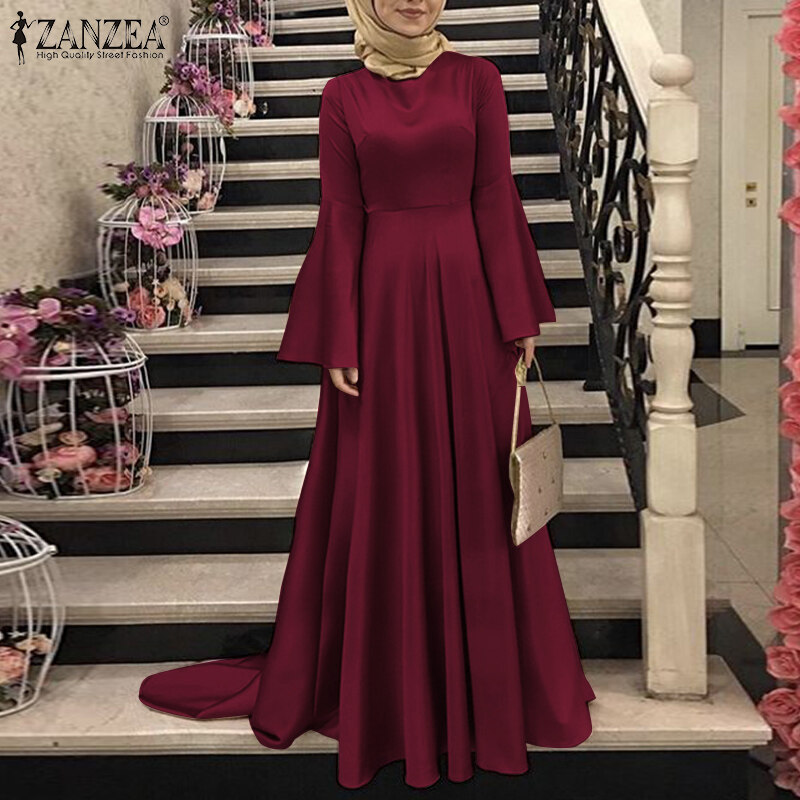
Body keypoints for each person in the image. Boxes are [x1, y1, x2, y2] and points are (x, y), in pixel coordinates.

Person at [138, 0, 596, 788]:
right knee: (381, 487)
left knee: (483, 490)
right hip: (381, 309)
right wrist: (339, 335)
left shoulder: (479, 80)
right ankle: (387, 690)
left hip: (471, 305)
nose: (414, 1)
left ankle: (488, 686)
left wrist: (518, 312)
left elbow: (496, 195)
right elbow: (341, 214)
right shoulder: (342, 94)